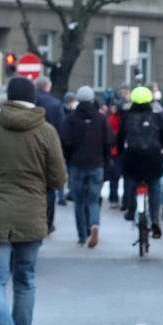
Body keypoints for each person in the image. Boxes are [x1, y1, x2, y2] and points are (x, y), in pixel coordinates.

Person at [0, 77, 66, 325]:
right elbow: (58, 179)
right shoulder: (46, 132)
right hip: (31, 215)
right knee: (25, 280)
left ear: (8, 97)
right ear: (35, 98)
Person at [60, 86, 113, 247]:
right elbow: (109, 141)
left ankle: (82, 235)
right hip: (96, 164)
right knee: (93, 200)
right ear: (92, 99)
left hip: (77, 164)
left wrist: (68, 159)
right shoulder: (101, 118)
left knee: (79, 201)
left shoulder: (71, 119)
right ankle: (94, 225)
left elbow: (65, 142)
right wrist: (104, 159)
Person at [117, 86, 163, 238]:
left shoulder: (127, 117)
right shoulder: (156, 117)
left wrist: (121, 153)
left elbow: (120, 138)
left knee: (130, 180)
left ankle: (131, 207)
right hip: (153, 159)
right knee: (154, 187)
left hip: (133, 158)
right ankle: (155, 220)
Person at [34, 76, 66, 232]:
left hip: (30, 149)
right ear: (48, 87)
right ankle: (48, 221)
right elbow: (62, 128)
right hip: (50, 149)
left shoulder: (30, 103)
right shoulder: (55, 104)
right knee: (49, 188)